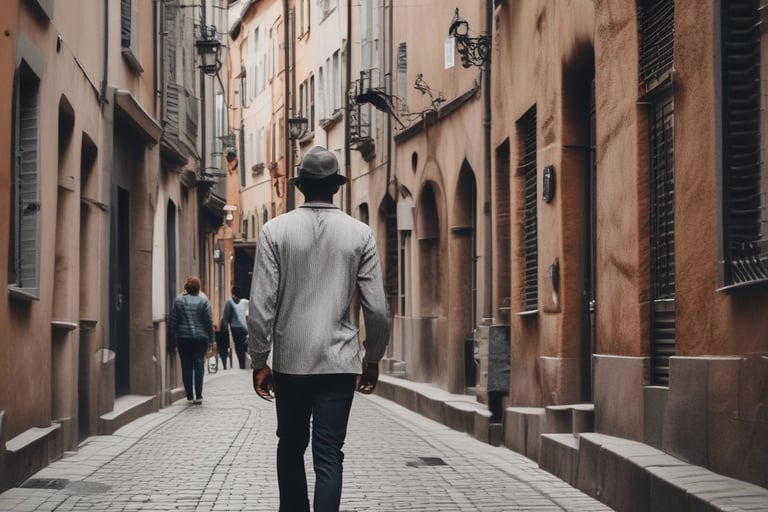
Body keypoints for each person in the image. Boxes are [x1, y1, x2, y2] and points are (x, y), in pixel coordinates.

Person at [248, 146, 390, 512]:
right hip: (340, 362)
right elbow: (377, 309)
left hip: (291, 362)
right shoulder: (360, 235)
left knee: (291, 446)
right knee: (329, 454)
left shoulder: (273, 231)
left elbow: (261, 304)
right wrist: (372, 358)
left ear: (300, 186)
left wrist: (259, 360)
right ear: (336, 187)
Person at [169, 276, 214, 404]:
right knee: (199, 365)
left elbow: (173, 322)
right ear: (198, 288)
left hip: (183, 338)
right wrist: (211, 339)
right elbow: (208, 321)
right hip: (200, 338)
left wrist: (170, 341)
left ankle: (189, 396)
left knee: (186, 366)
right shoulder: (203, 301)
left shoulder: (179, 301)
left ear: (186, 287)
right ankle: (198, 395)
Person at [220, 285, 249, 369]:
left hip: (235, 328)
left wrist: (224, 326)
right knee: (243, 345)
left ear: (232, 292)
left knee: (238, 346)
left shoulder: (229, 302)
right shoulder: (244, 302)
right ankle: (243, 361)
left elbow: (225, 315)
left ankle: (242, 363)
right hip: (244, 328)